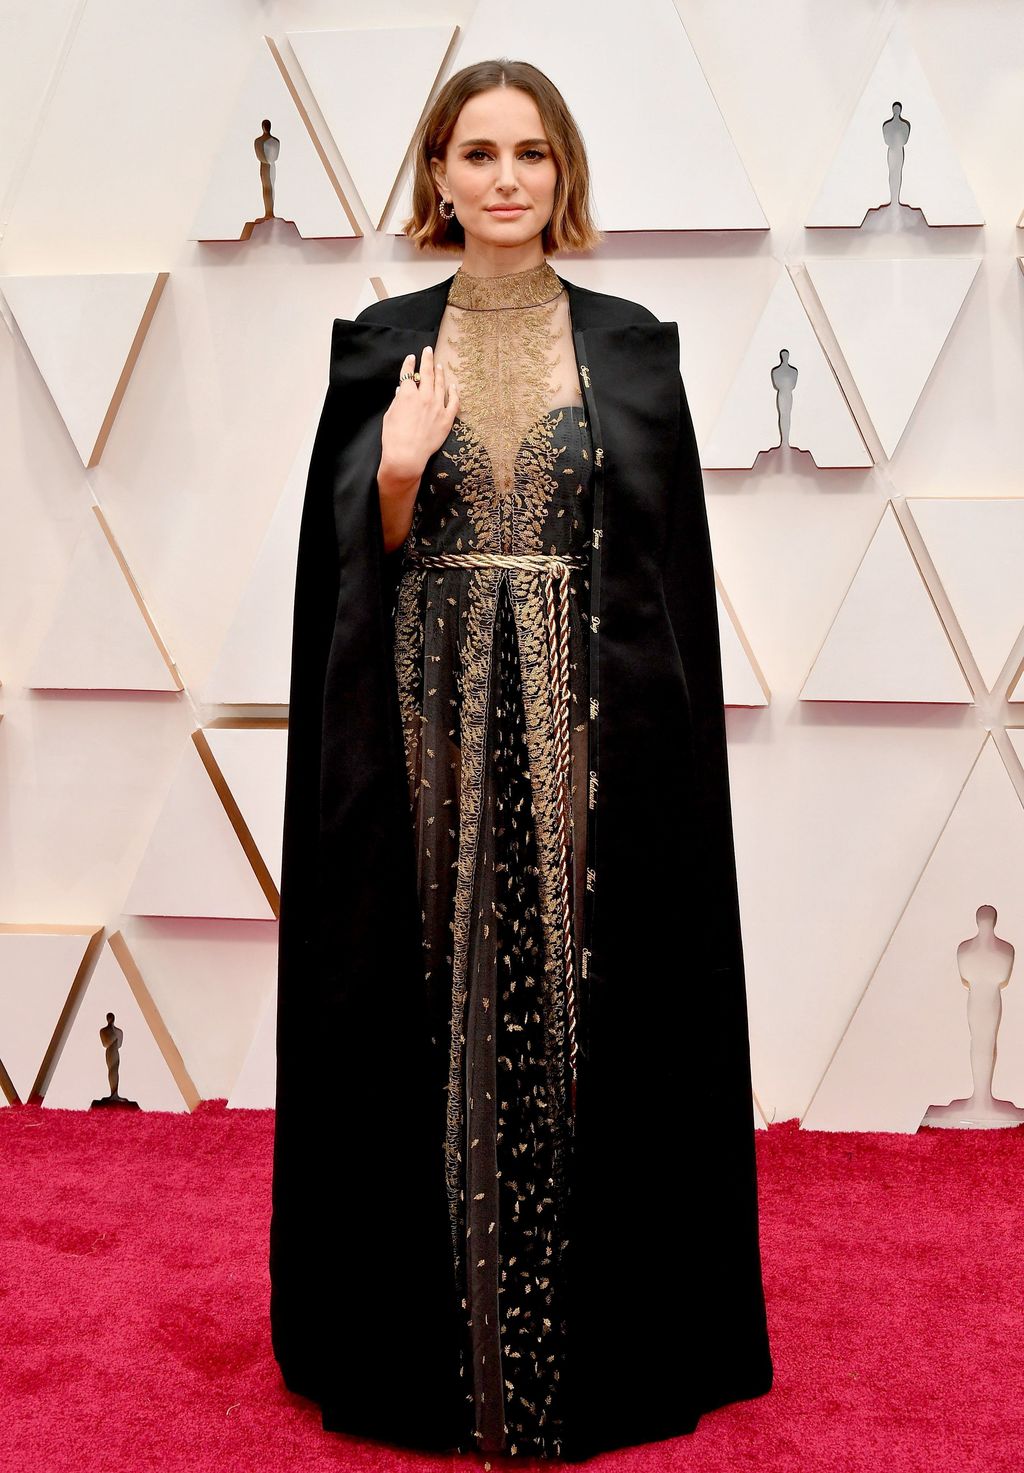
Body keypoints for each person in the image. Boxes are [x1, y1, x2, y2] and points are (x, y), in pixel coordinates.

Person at [269, 56, 773, 1464]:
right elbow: (340, 586)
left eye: (531, 155)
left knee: (590, 1014)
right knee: (422, 1013)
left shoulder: (632, 349)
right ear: (436, 175)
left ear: (563, 175)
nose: (505, 179)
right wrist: (392, 468)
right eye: (478, 153)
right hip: (425, 744)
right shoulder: (379, 348)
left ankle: (608, 1344)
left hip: (592, 751)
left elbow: (662, 583)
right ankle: (420, 1345)